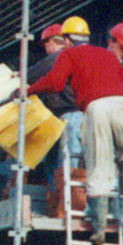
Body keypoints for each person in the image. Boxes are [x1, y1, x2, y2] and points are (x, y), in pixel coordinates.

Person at [28, 21, 123, 245]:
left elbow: (54, 82)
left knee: (98, 166)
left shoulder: (69, 55)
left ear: (68, 41)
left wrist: (27, 89)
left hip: (95, 108)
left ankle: (99, 227)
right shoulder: (108, 57)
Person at [30, 23, 82, 180]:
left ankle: (66, 200)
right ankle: (58, 199)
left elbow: (32, 75)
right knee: (61, 161)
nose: (45, 50)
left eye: (46, 45)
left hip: (69, 116)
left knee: (68, 164)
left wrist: (17, 76)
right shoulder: (75, 56)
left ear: (51, 42)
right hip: (74, 116)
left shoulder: (57, 57)